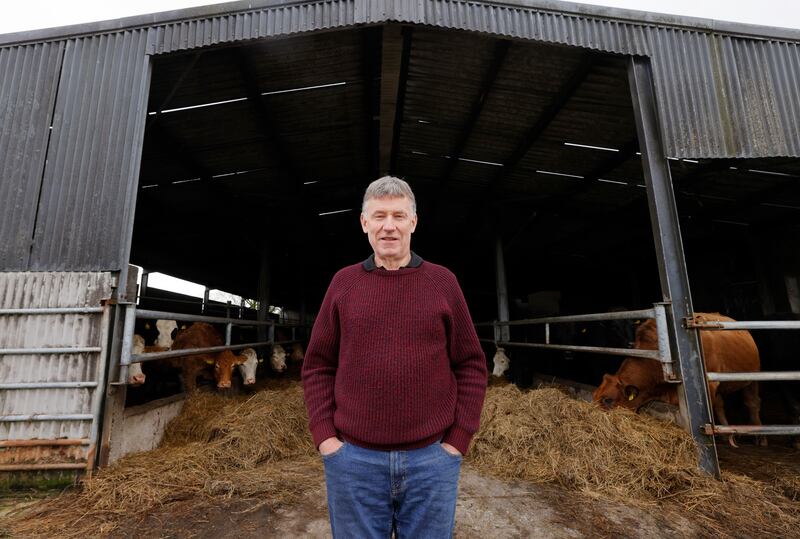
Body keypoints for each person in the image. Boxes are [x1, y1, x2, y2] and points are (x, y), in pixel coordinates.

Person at [301, 176, 488, 538]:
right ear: (364, 223)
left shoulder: (442, 282)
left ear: (414, 222)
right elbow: (318, 365)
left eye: (399, 216)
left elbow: (471, 364)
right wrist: (326, 438)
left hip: (432, 460)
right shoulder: (344, 283)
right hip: (353, 461)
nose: (389, 226)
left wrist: (458, 440)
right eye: (380, 216)